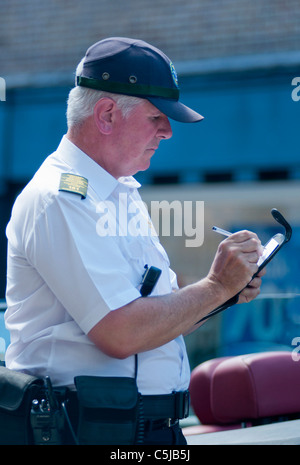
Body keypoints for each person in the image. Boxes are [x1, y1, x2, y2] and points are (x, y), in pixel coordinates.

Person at [4, 37, 264, 445]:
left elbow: (150, 321)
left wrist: (223, 293)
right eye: (158, 116)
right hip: (87, 429)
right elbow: (120, 333)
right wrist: (216, 287)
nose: (168, 132)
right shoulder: (61, 197)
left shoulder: (115, 189)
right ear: (107, 114)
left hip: (133, 426)